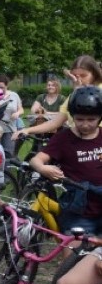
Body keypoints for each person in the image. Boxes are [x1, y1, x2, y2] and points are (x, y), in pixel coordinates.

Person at [28, 85, 102, 236]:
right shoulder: (63, 138)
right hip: (79, 211)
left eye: (91, 120)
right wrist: (43, 169)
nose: (86, 124)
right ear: (72, 116)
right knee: (75, 256)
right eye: (79, 119)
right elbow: (36, 160)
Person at [15, 55, 102, 139]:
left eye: (83, 76)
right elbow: (55, 122)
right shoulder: (74, 95)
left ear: (94, 74)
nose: (78, 80)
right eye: (74, 76)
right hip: (77, 144)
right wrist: (28, 130)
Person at [0, 74, 24, 156]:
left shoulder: (14, 95)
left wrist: (17, 113)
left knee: (8, 153)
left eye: (2, 87)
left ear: (7, 86)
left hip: (10, 128)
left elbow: (21, 109)